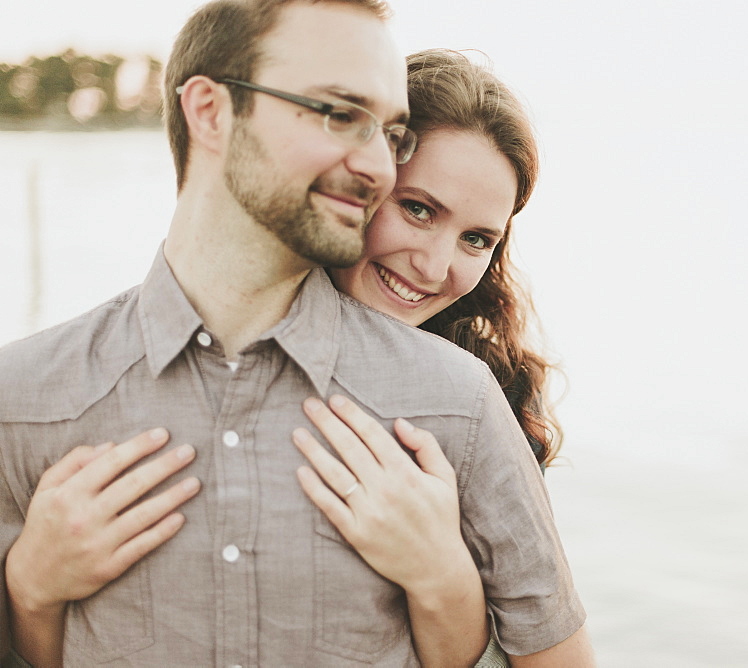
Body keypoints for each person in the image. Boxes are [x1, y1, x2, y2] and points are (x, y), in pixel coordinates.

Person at [0, 1, 590, 667]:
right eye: (342, 115)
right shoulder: (30, 397)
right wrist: (29, 588)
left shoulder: (462, 400)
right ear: (210, 111)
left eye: (477, 238)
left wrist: (444, 583)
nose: (432, 266)